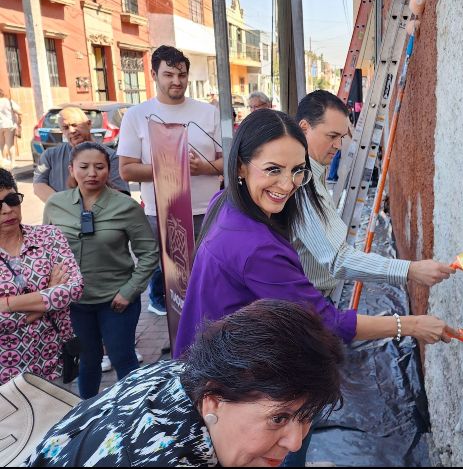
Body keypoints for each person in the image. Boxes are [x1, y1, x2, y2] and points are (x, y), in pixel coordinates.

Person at [174, 109, 456, 357]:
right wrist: (411, 324)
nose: (287, 186)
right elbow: (326, 320)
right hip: (224, 381)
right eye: (273, 169)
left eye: (298, 170)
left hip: (205, 357)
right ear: (240, 167)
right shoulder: (257, 248)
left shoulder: (226, 202)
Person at [26, 299, 344, 467]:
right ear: (213, 401)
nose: (296, 442)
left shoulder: (179, 374)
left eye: (306, 416)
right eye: (279, 418)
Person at [293, 90, 455, 298]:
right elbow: (338, 260)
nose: (339, 146)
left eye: (341, 137)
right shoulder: (302, 184)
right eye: (332, 136)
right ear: (304, 128)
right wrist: (410, 270)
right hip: (308, 304)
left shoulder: (314, 171)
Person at [43, 142, 158, 399]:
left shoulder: (125, 206)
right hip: (74, 302)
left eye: (99, 167)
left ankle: (134, 415)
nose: (92, 173)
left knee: (122, 358)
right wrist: (53, 288)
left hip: (116, 300)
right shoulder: (55, 204)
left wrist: (129, 291)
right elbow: (47, 251)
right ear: (71, 169)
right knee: (87, 360)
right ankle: (86, 415)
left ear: (109, 170)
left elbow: (149, 253)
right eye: (84, 167)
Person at [118, 45, 223, 317]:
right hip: (163, 215)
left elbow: (229, 162)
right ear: (153, 74)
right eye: (168, 75)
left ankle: (211, 331)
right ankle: (182, 339)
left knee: (210, 277)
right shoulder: (136, 115)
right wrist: (170, 168)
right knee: (174, 284)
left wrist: (203, 168)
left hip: (207, 211)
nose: (177, 81)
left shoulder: (208, 113)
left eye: (182, 75)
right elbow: (127, 170)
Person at [0, 168, 84, 385]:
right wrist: (48, 293)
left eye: (11, 199)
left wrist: (7, 304)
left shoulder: (48, 236)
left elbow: (74, 288)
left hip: (53, 363)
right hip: (6, 375)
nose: (7, 209)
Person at [33, 106, 129, 203]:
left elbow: (120, 196)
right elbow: (38, 185)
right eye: (66, 127)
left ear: (89, 124)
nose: (71, 131)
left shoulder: (111, 156)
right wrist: (63, 207)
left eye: (75, 125)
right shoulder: (50, 156)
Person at [0, 88, 21, 169]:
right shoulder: (8, 101)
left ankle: (2, 163)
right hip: (9, 125)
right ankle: (13, 163)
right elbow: (19, 111)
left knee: (1, 144)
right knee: (10, 144)